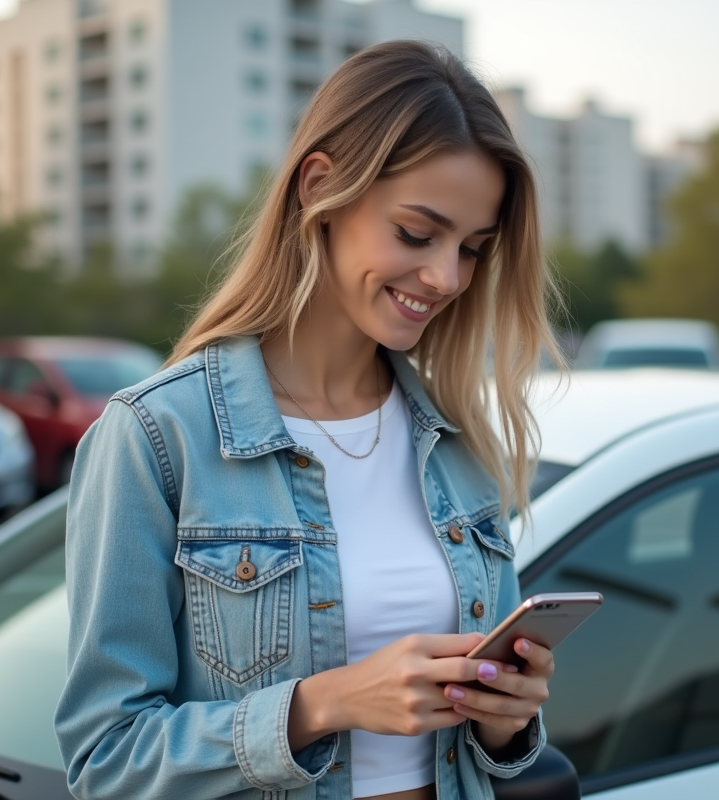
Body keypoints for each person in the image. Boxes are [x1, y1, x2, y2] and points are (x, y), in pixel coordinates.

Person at [55, 40, 563, 800]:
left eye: (472, 249)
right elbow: (105, 761)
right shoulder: (158, 439)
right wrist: (324, 703)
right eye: (417, 234)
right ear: (320, 188)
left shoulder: (459, 442)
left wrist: (506, 720)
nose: (446, 277)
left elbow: (493, 756)